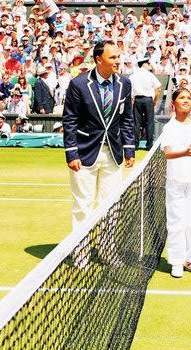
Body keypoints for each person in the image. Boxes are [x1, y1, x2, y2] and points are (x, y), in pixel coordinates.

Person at [62, 40, 135, 229]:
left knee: (111, 206)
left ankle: (107, 253)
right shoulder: (78, 84)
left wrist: (129, 149)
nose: (118, 61)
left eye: (118, 56)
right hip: (84, 153)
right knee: (82, 207)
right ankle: (81, 255)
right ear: (98, 60)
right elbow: (70, 120)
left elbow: (127, 118)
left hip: (113, 154)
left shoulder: (124, 83)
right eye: (112, 57)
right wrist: (72, 153)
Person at [160, 88, 191, 278]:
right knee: (176, 221)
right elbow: (167, 153)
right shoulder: (169, 128)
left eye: (189, 98)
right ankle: (176, 261)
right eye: (182, 98)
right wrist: (184, 152)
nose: (186, 101)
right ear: (174, 103)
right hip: (175, 182)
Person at [129, 56, 161, 150]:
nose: (149, 65)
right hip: (148, 100)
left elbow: (130, 90)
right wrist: (155, 100)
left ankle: (135, 145)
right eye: (148, 63)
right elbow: (158, 88)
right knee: (149, 122)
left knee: (136, 123)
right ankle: (149, 145)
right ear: (145, 64)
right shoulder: (149, 75)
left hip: (137, 100)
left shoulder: (133, 75)